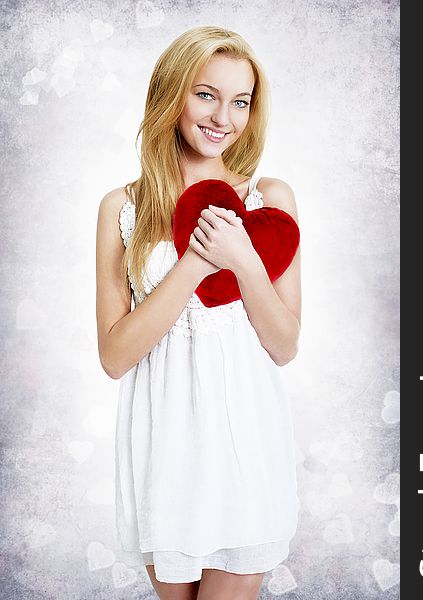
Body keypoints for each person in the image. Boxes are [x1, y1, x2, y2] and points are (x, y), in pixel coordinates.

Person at [95, 25, 302, 600]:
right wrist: (194, 264)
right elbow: (114, 356)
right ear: (172, 95)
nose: (223, 117)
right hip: (165, 446)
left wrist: (243, 260)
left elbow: (284, 345)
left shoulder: (270, 201)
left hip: (244, 439)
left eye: (240, 101)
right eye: (206, 94)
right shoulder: (124, 207)